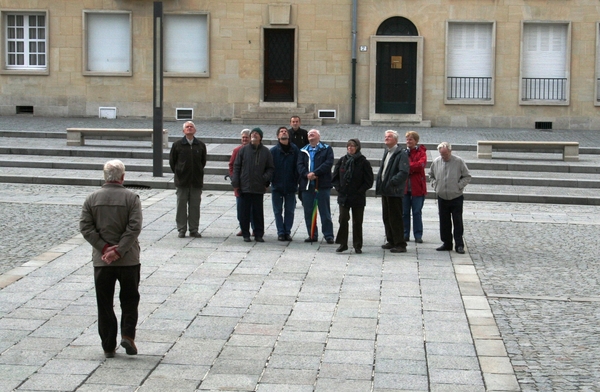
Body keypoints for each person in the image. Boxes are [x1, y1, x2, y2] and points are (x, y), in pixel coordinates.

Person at [80, 159, 143, 358]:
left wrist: (105, 248)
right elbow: (134, 228)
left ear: (104, 176)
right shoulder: (132, 198)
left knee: (104, 302)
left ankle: (108, 345)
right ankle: (127, 335)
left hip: (102, 261)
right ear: (123, 177)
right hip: (128, 259)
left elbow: (86, 227)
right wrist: (119, 250)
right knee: (130, 299)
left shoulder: (91, 198)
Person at [232, 127, 274, 242]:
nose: (254, 135)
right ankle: (245, 233)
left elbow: (270, 168)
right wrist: (236, 183)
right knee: (244, 212)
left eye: (256, 134)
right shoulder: (243, 150)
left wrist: (264, 179)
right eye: (253, 133)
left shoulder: (266, 151)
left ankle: (258, 234)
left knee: (257, 212)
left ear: (260, 137)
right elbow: (236, 167)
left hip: (258, 186)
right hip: (244, 186)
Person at [429, 142, 472, 254]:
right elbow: (431, 175)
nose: (444, 157)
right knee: (444, 221)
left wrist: (459, 186)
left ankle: (459, 244)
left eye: (446, 154)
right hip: (442, 195)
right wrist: (435, 185)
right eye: (442, 154)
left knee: (457, 221)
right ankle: (447, 243)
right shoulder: (437, 162)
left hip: (456, 196)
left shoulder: (458, 161)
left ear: (450, 151)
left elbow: (467, 176)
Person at [332, 139, 374, 254]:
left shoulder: (363, 162)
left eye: (353, 146)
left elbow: (369, 181)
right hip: (344, 196)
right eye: (348, 146)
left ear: (357, 147)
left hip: (357, 197)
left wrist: (360, 191)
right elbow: (335, 178)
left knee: (357, 221)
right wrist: (339, 188)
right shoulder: (342, 160)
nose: (350, 148)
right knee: (343, 219)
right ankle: (343, 243)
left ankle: (357, 245)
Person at [169, 121, 207, 238]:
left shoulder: (200, 145)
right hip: (182, 181)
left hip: (196, 181)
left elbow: (203, 162)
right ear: (183, 131)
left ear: (195, 130)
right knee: (181, 205)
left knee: (195, 206)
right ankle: (181, 229)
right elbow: (172, 162)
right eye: (187, 127)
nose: (189, 128)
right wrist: (180, 172)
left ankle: (193, 229)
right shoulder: (177, 145)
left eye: (191, 127)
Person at [375, 130, 410, 253]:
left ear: (395, 139)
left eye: (389, 137)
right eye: (385, 136)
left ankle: (400, 243)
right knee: (387, 216)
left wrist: (392, 182)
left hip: (394, 190)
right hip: (385, 190)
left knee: (395, 217)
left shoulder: (401, 153)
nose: (386, 138)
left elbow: (403, 172)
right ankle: (391, 240)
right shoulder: (387, 151)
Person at [297, 129, 335, 243]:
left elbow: (328, 163)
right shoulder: (303, 150)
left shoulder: (327, 149)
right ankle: (312, 234)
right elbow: (299, 165)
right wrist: (306, 174)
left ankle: (328, 235)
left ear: (319, 136)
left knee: (325, 212)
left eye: (313, 133)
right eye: (309, 134)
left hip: (322, 185)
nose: (310, 135)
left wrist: (315, 173)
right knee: (308, 212)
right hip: (307, 185)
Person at [270, 126, 299, 241]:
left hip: (291, 185)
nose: (283, 133)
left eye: (285, 131)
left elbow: (298, 166)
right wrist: (272, 179)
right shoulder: (273, 151)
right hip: (277, 185)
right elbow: (270, 167)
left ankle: (287, 231)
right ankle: (280, 232)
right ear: (278, 136)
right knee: (277, 211)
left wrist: (296, 179)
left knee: (290, 210)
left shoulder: (294, 150)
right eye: (281, 132)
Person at [403, 131, 427, 243]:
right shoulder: (403, 152)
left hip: (418, 187)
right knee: (404, 212)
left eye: (410, 139)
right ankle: (405, 234)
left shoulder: (421, 152)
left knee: (417, 212)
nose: (408, 141)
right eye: (407, 139)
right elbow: (401, 166)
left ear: (416, 141)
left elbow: (421, 165)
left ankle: (418, 235)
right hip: (404, 188)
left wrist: (408, 166)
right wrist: (412, 166)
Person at [229, 129, 253, 236]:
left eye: (246, 137)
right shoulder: (236, 150)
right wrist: (233, 178)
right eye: (243, 137)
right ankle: (243, 228)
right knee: (241, 208)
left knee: (253, 209)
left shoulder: (255, 150)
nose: (244, 139)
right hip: (239, 184)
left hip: (252, 184)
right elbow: (231, 165)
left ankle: (254, 228)